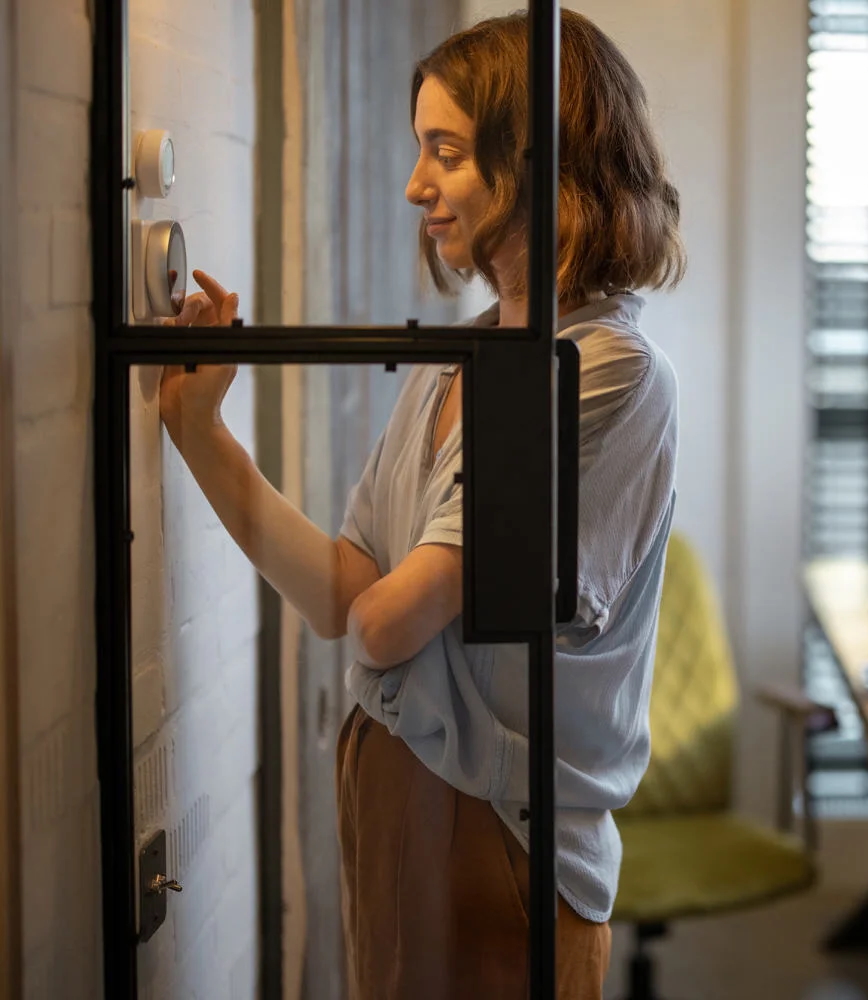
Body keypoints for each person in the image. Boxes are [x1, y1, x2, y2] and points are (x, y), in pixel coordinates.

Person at [157, 10, 682, 998]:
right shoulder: (462, 355)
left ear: (536, 162)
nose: (415, 186)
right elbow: (344, 595)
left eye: (445, 151)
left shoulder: (604, 371)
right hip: (398, 791)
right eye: (418, 150)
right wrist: (201, 431)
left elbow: (389, 622)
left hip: (499, 830)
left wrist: (377, 611)